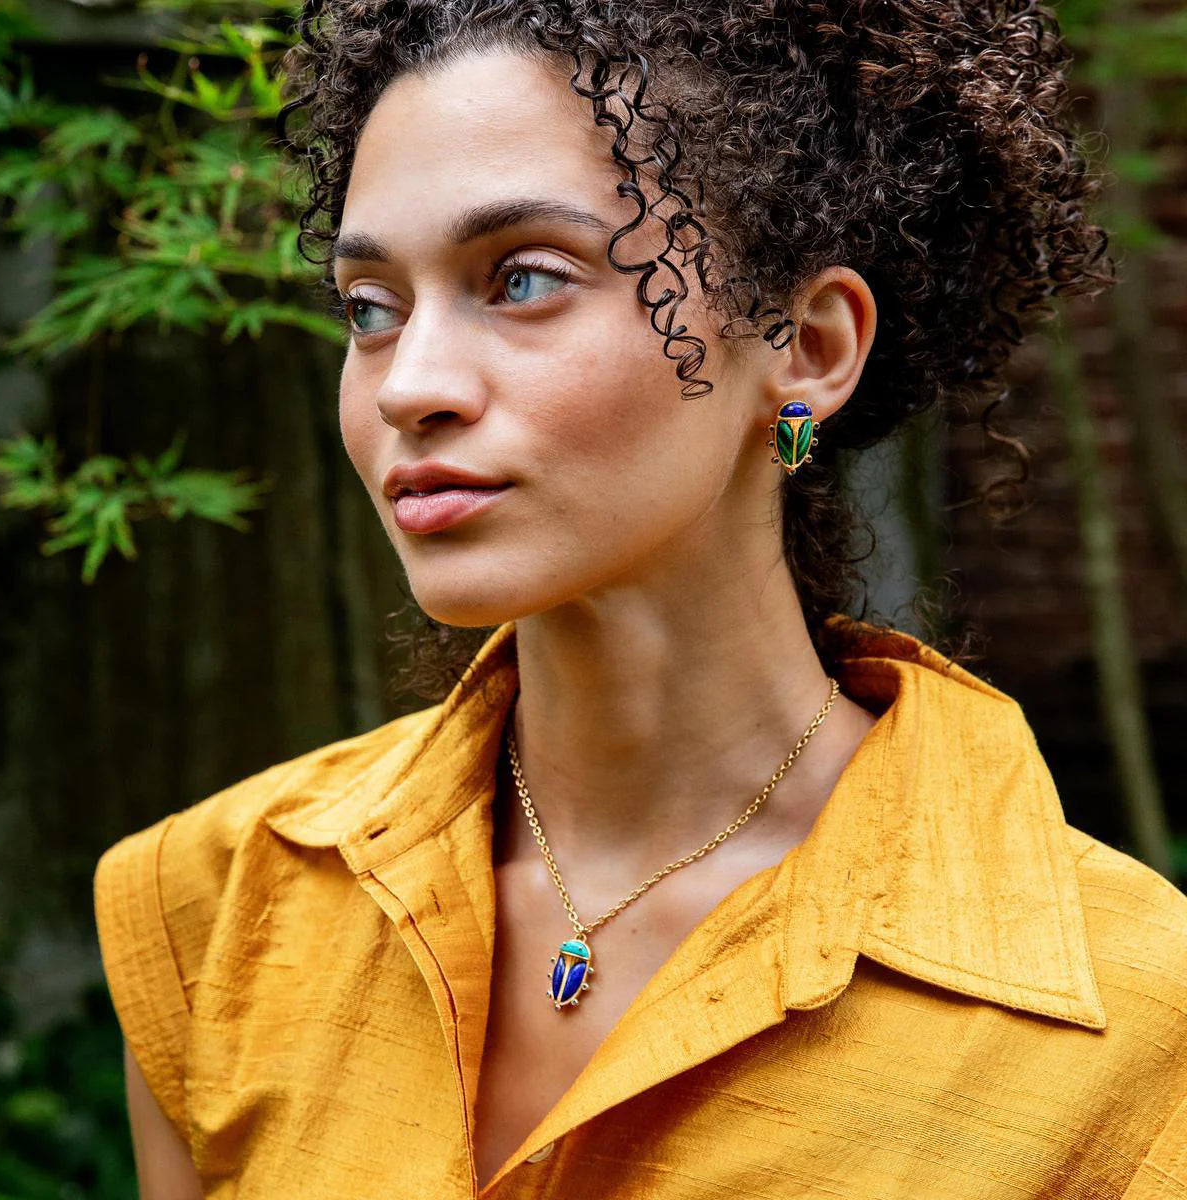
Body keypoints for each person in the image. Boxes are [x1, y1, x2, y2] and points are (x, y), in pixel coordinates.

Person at [93, 2, 1187, 1197]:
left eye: (523, 279)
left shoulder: (1134, 1036)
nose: (409, 385)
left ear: (808, 347)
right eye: (370, 307)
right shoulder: (211, 907)